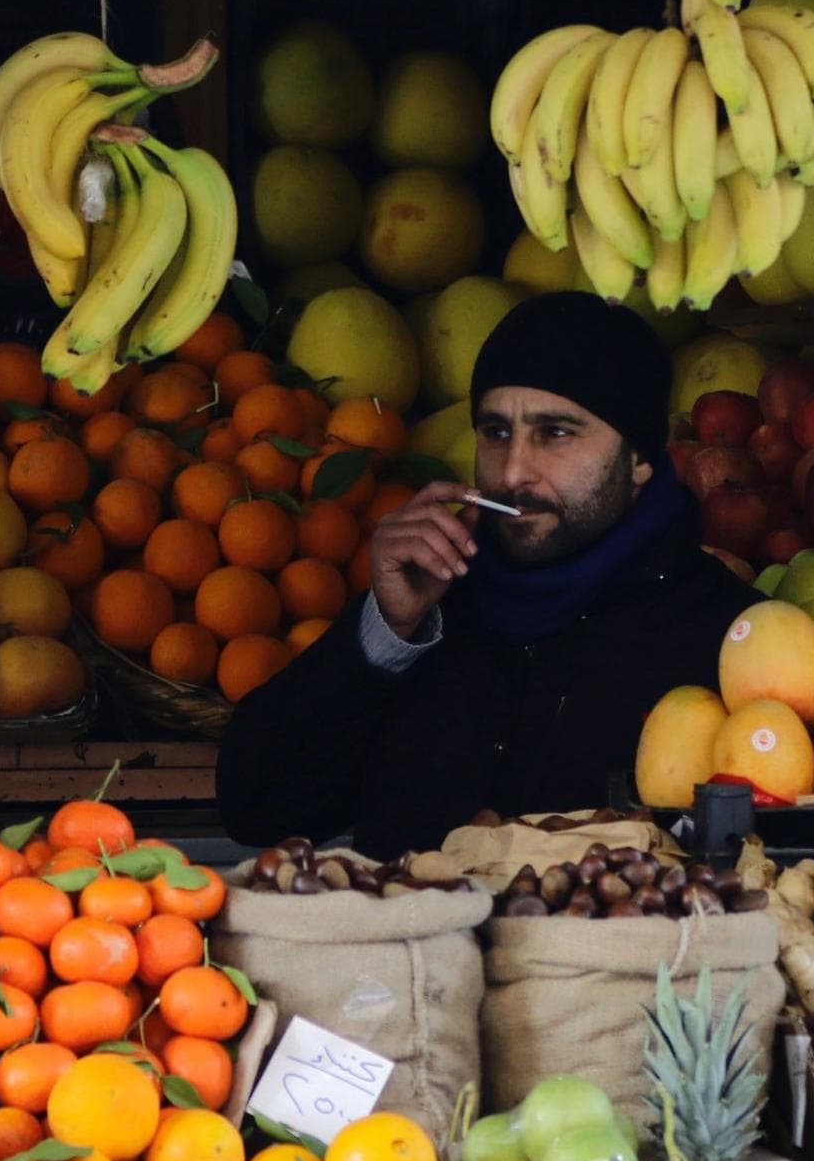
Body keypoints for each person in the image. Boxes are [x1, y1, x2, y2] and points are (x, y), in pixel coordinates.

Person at [217, 291, 761, 858]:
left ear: (639, 459)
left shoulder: (725, 637)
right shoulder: (435, 604)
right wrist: (383, 636)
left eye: (556, 433)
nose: (514, 472)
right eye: (496, 432)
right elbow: (255, 809)